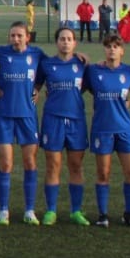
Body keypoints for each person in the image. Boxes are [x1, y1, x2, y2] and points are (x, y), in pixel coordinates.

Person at [0, 22, 47, 225]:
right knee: (6, 164)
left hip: (27, 116)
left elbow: (48, 70)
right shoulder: (1, 53)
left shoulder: (37, 54)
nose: (16, 39)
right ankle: (3, 210)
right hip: (5, 116)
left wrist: (37, 87)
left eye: (20, 36)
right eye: (12, 35)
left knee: (30, 163)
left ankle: (29, 210)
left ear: (28, 37)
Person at [85, 34, 130, 227]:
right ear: (104, 50)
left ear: (122, 50)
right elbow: (84, 87)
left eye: (116, 46)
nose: (112, 49)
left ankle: (129, 213)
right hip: (102, 129)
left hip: (125, 129)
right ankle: (103, 215)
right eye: (108, 46)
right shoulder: (93, 71)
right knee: (103, 173)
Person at [38, 27, 89, 226]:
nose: (65, 42)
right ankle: (51, 210)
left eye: (69, 39)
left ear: (74, 43)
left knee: (76, 165)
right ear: (57, 42)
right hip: (53, 120)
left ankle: (76, 211)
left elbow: (89, 86)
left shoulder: (83, 64)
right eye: (62, 39)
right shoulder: (47, 65)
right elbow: (35, 85)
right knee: (53, 165)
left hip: (76, 120)